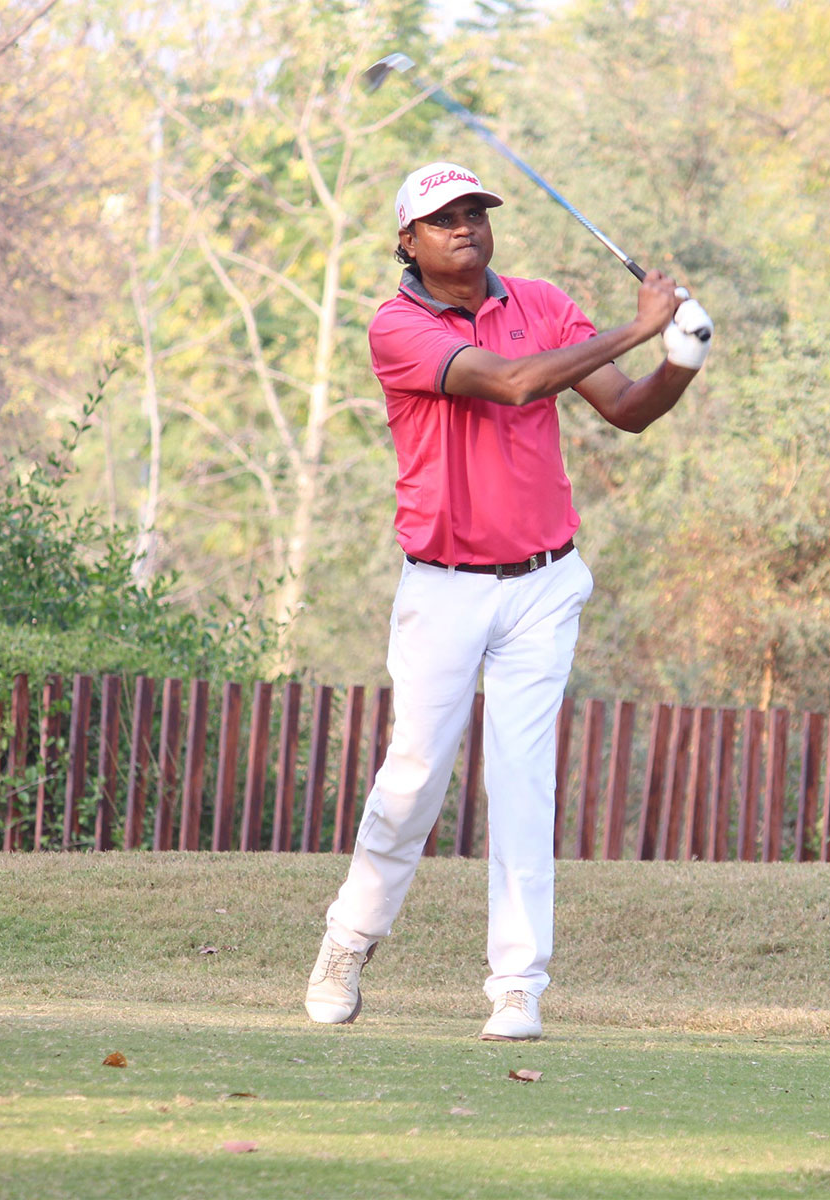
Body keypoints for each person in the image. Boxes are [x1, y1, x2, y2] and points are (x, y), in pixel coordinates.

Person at [304, 161, 713, 1040]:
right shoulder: (398, 328)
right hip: (444, 588)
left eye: (475, 212)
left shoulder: (542, 301)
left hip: (544, 584)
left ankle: (517, 986)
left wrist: (680, 355)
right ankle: (350, 937)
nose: (465, 226)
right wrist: (637, 326)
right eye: (443, 218)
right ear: (406, 242)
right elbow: (515, 384)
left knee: (526, 787)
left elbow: (628, 412)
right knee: (413, 781)